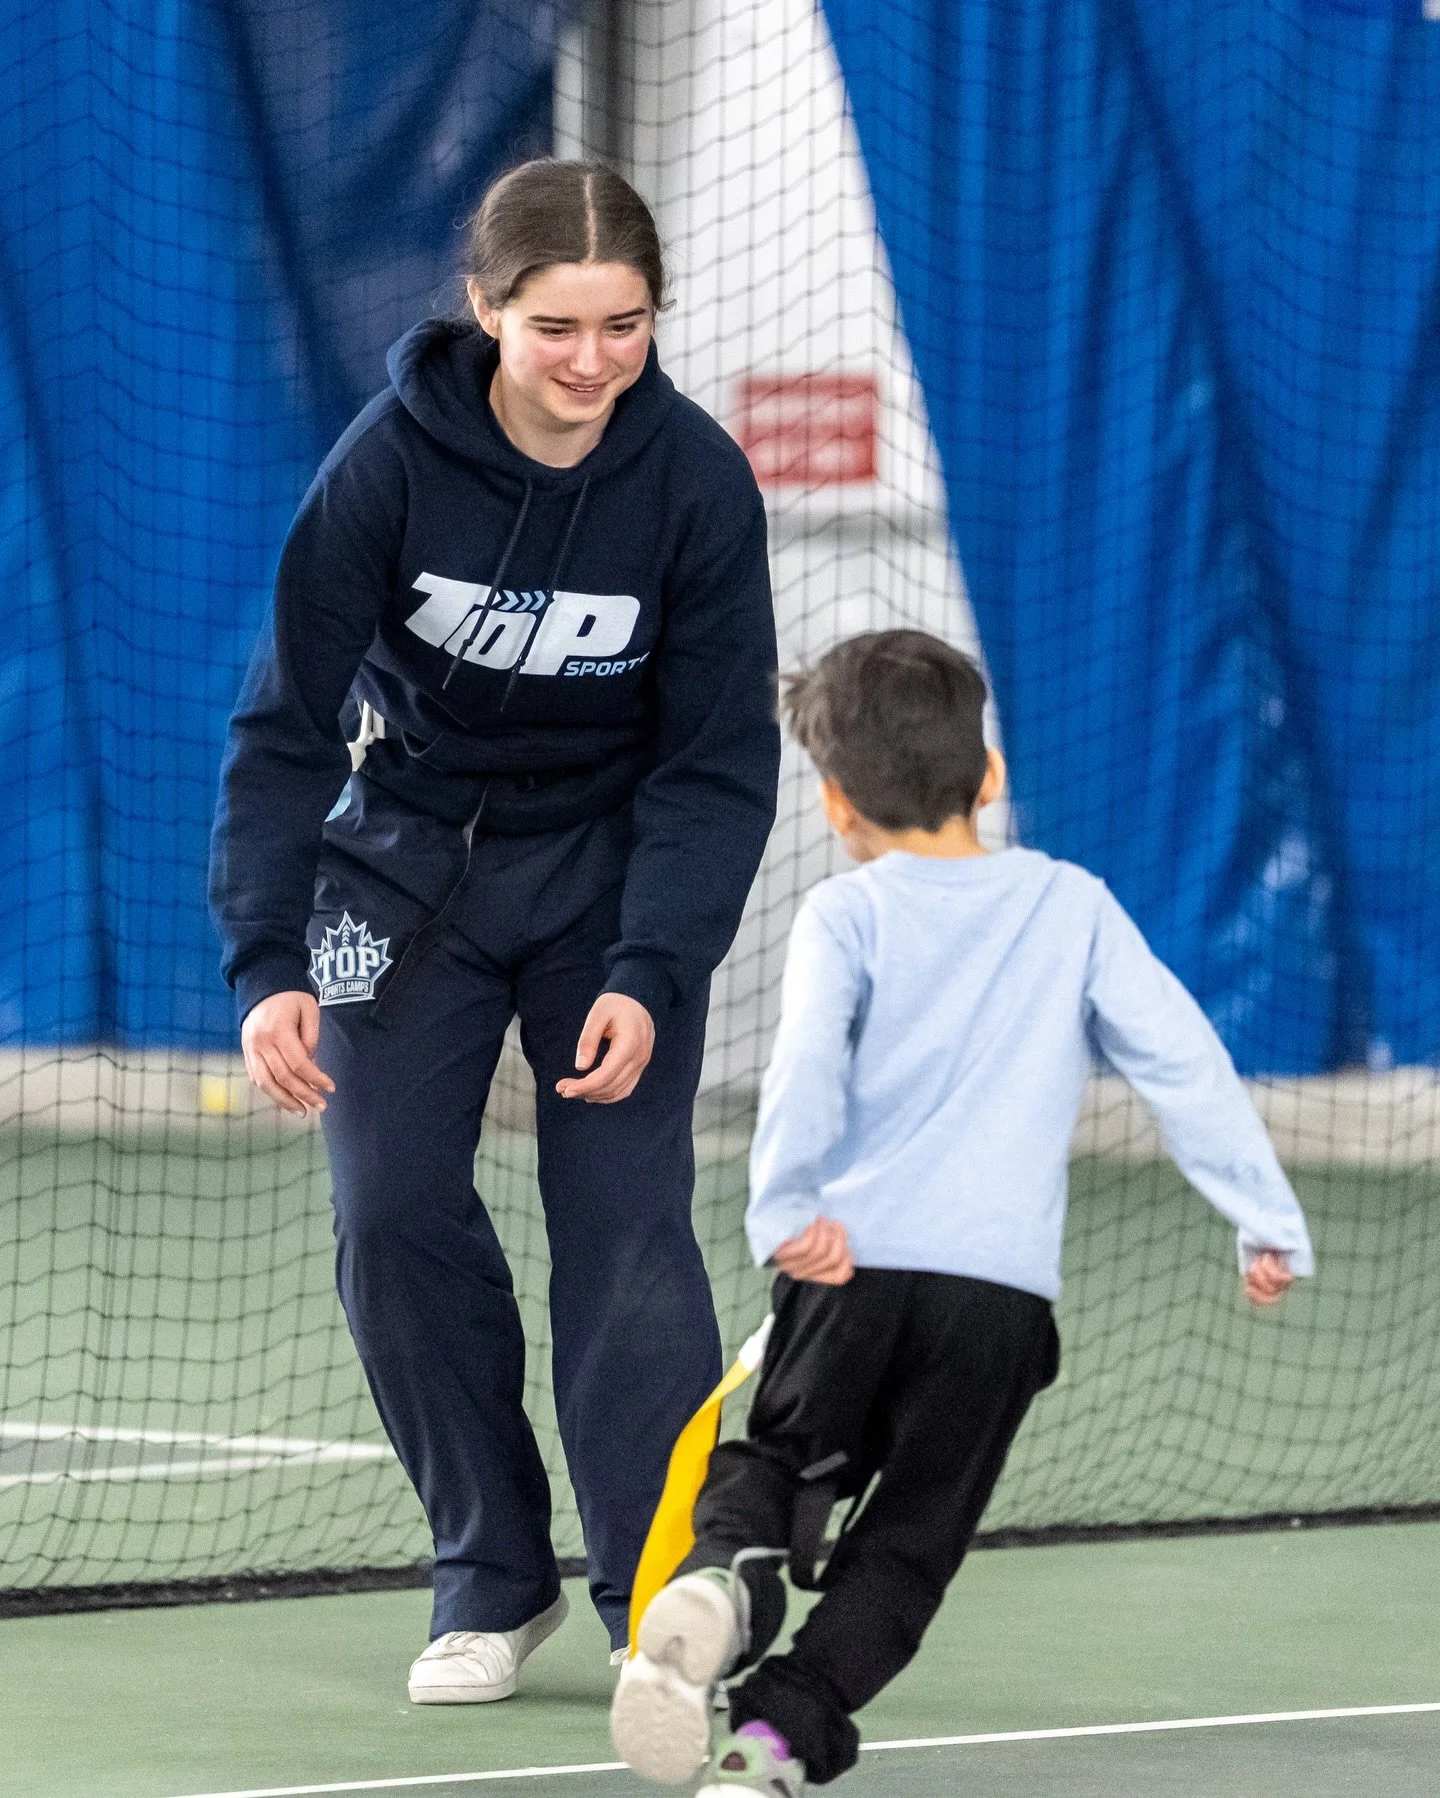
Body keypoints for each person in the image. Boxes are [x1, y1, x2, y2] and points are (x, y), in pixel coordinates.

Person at [208, 158, 780, 1701]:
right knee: (388, 1209)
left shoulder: (695, 484)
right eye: (556, 327)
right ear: (485, 311)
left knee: (628, 1230)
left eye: (626, 323)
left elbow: (718, 761)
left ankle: (657, 1594)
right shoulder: (385, 467)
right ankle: (490, 1576)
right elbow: (282, 727)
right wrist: (266, 960)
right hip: (401, 881)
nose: (593, 359)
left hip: (604, 891)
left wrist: (655, 969)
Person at [610, 629, 1313, 1794]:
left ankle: (728, 1573)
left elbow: (804, 1075)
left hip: (846, 1271)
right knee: (912, 1540)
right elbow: (1184, 1060)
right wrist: (1265, 1215)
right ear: (989, 774)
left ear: (838, 807)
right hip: (994, 1303)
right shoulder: (1071, 906)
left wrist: (784, 1210)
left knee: (781, 1456)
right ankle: (776, 1740)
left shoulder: (845, 915)